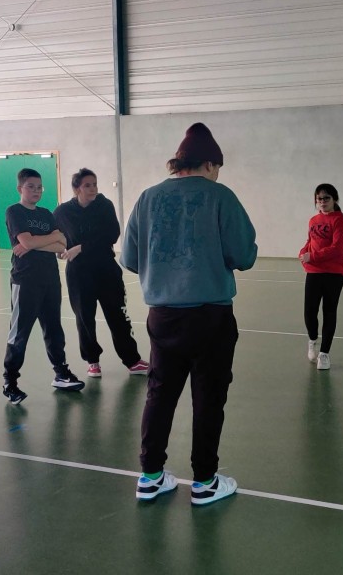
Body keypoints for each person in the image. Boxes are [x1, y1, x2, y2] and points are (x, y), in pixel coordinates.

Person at [121, 122, 257, 505]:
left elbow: (129, 258)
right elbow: (244, 255)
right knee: (209, 399)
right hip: (211, 317)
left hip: (162, 317)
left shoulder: (148, 198)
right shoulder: (220, 197)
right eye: (218, 168)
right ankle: (205, 481)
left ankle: (150, 476)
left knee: (159, 395)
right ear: (210, 164)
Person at [53, 168, 149, 379]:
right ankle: (92, 361)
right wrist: (59, 250)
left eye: (95, 184)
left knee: (118, 316)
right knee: (84, 318)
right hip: (79, 274)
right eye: (87, 185)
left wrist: (81, 247)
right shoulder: (62, 212)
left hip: (106, 270)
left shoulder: (105, 206)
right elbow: (55, 236)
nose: (93, 189)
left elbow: (111, 234)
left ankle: (132, 360)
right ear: (77, 189)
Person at [2, 168, 84, 405]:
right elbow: (29, 241)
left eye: (39, 187)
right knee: (19, 333)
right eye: (31, 186)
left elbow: (62, 245)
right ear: (20, 188)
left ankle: (61, 373)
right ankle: (10, 382)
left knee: (54, 329)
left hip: (50, 280)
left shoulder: (47, 213)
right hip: (25, 281)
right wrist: (45, 239)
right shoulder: (14, 212)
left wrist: (34, 243)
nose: (36, 191)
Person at [299, 183, 343, 371]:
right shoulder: (313, 220)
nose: (322, 201)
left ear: (334, 199)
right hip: (314, 272)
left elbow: (337, 248)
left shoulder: (339, 220)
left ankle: (324, 354)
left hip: (334, 273)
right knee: (309, 312)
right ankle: (313, 340)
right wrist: (303, 252)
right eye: (319, 198)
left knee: (329, 311)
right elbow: (310, 241)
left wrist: (312, 256)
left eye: (326, 198)